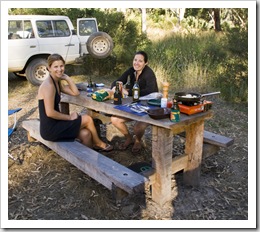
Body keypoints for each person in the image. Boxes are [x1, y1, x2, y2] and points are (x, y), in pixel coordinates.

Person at [38, 53, 113, 152]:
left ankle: (89, 160)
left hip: (55, 124)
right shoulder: (48, 85)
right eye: (55, 67)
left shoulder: (56, 82)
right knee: (88, 119)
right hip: (50, 129)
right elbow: (50, 113)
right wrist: (69, 117)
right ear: (49, 68)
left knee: (86, 134)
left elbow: (75, 92)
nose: (59, 69)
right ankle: (98, 143)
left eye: (61, 66)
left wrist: (67, 78)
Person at [110, 51, 158, 153]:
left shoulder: (149, 73)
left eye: (140, 61)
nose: (137, 63)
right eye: (135, 60)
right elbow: (118, 81)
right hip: (135, 105)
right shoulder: (131, 71)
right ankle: (129, 138)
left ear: (146, 63)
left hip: (149, 107)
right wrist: (115, 87)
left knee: (138, 127)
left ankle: (137, 140)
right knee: (115, 119)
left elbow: (150, 91)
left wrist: (129, 92)